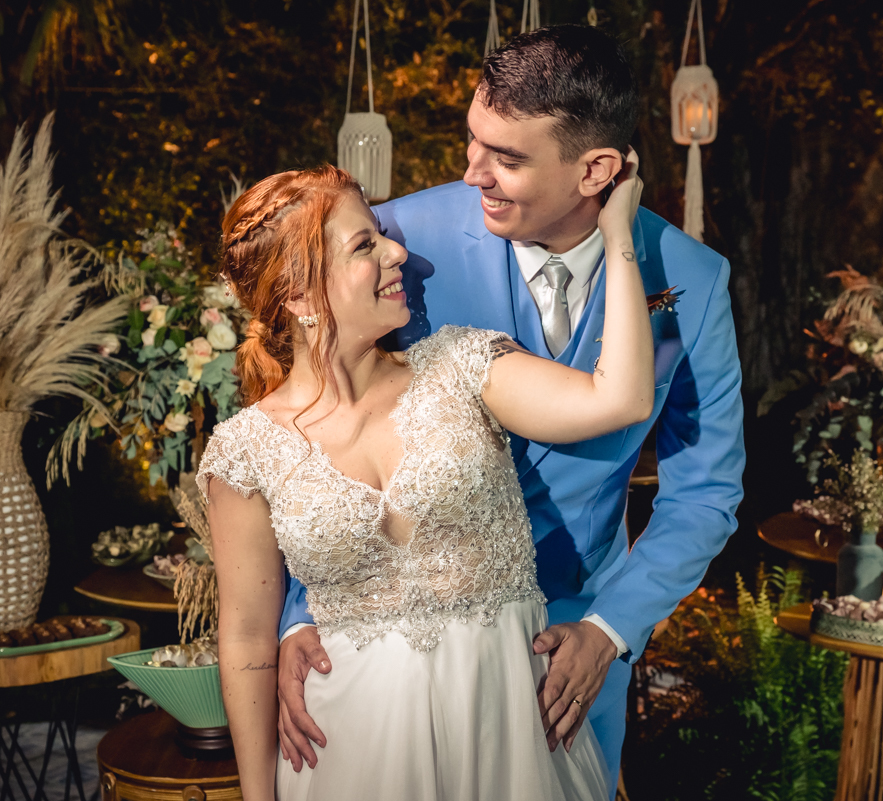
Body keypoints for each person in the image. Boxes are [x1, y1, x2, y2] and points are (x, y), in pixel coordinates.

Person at [276, 25, 746, 797]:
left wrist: (609, 630)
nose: (472, 172)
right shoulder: (400, 245)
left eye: (507, 158)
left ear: (595, 169)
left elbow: (705, 491)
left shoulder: (689, 280)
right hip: (393, 646)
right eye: (472, 140)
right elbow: (319, 425)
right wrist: (302, 611)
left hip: (569, 653)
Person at [199, 155, 649, 801]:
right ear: (298, 294)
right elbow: (245, 637)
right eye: (364, 245)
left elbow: (622, 400)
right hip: (348, 753)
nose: (397, 255)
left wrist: (618, 235)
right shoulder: (244, 452)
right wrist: (256, 795)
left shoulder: (463, 366)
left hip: (508, 740)